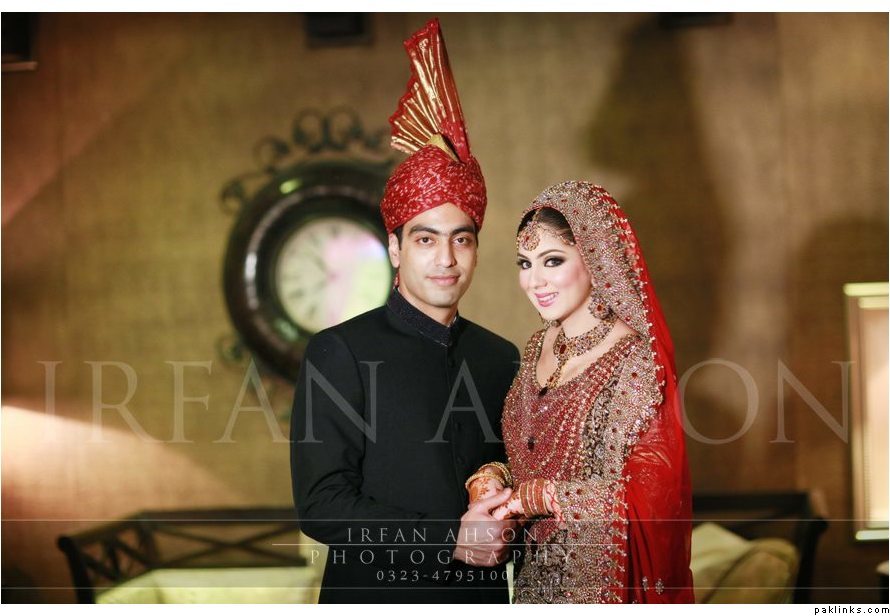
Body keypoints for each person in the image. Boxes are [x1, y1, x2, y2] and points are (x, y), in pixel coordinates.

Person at [290, 18, 519, 603]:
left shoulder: (500, 358)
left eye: (462, 239)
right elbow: (322, 506)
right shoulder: (340, 351)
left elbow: (506, 474)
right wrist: (451, 539)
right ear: (394, 248)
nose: (446, 258)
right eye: (425, 239)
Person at [465, 181, 694, 603]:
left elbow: (652, 501)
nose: (534, 281)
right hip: (531, 587)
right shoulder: (537, 346)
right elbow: (538, 456)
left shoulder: (635, 359)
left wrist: (540, 497)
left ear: (596, 258)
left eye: (552, 260)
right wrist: (494, 480)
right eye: (524, 263)